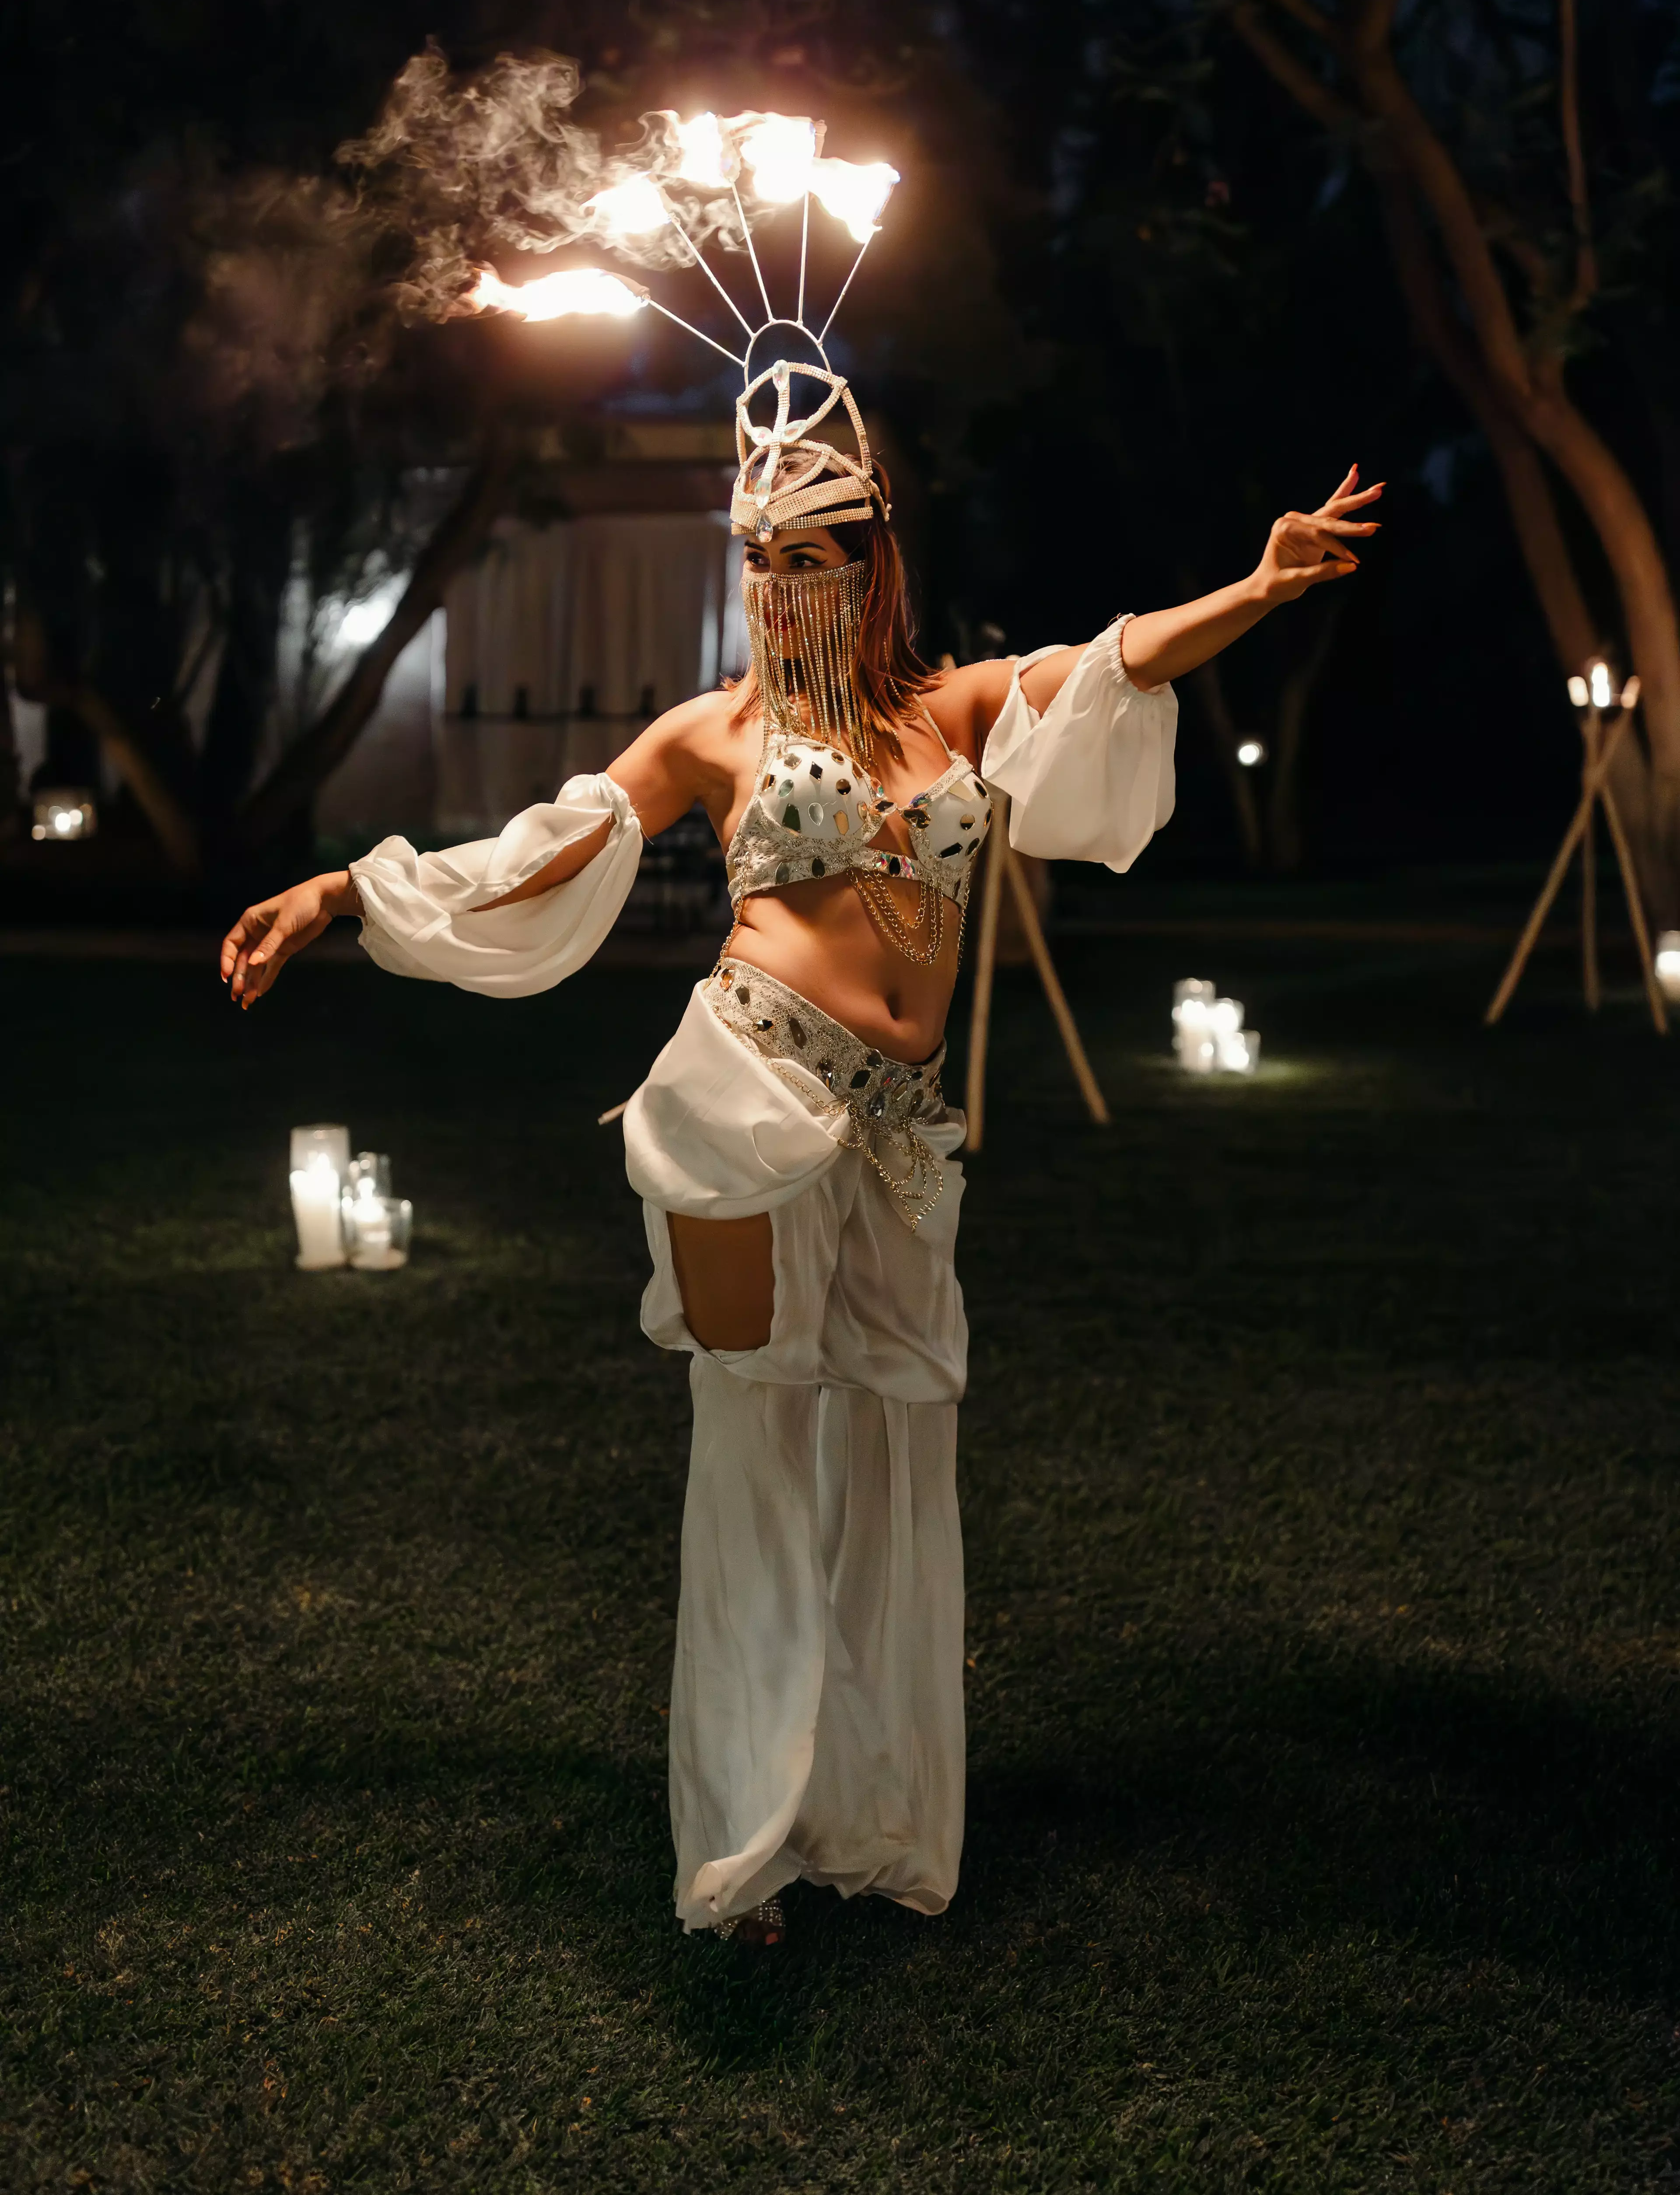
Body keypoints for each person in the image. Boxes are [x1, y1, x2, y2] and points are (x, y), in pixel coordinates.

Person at [221, 361, 1380, 1948]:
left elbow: (1113, 664)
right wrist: (340, 894)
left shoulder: (956, 709)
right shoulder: (714, 733)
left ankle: (869, 1819)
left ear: (872, 558)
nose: (774, 586)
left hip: (900, 1131)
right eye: (754, 557)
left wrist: (1259, 581)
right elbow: (540, 852)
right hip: (746, 1098)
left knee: (894, 1460)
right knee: (758, 1458)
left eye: (807, 555)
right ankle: (742, 1853)